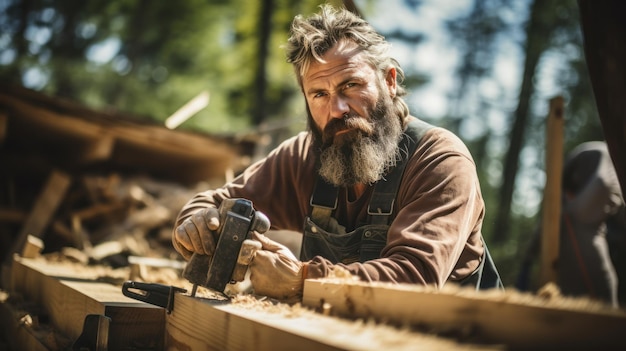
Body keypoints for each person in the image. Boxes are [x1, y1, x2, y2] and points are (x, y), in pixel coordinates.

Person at [172, 4, 502, 303]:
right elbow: (212, 204)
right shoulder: (305, 156)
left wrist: (303, 280)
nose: (337, 109)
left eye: (350, 86)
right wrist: (196, 223)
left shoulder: (440, 160)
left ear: (388, 81)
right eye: (319, 93)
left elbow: (415, 279)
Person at [517, 141, 625, 307]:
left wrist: (528, 259)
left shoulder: (598, 178)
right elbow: (552, 214)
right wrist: (529, 257)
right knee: (572, 226)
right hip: (593, 179)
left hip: (594, 180)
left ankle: (607, 315)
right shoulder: (580, 201)